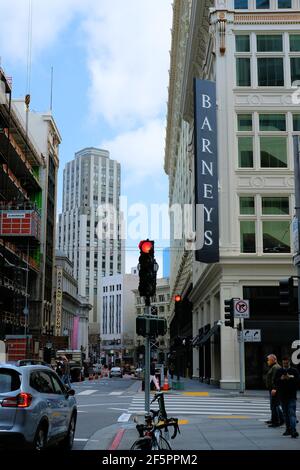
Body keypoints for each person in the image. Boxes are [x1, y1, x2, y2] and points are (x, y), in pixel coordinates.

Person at [274, 355, 300, 438]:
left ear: (289, 362)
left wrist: (291, 378)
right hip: (282, 396)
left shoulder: (294, 371)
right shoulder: (279, 371)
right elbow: (275, 382)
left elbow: (298, 382)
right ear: (282, 363)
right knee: (285, 414)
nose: (285, 364)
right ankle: (288, 429)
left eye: (287, 363)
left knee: (292, 414)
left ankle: (293, 430)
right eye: (284, 363)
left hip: (291, 396)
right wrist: (281, 379)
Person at [265, 354, 284, 427]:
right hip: (272, 389)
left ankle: (276, 421)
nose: (267, 361)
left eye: (268, 360)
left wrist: (274, 388)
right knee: (274, 405)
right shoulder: (273, 367)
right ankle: (276, 420)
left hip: (274, 390)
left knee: (275, 405)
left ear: (273, 360)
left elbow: (275, 379)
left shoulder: (275, 367)